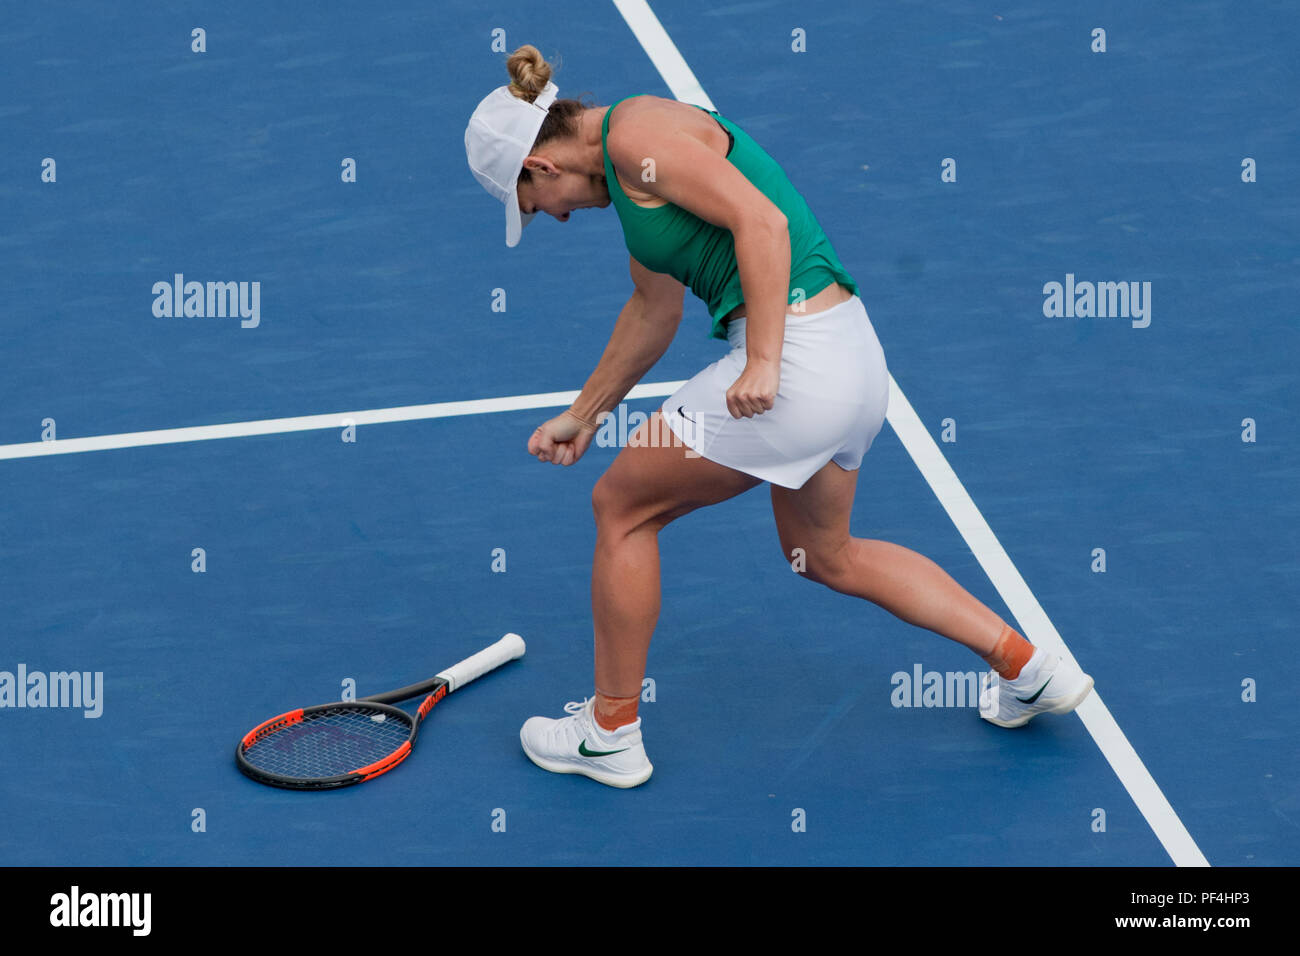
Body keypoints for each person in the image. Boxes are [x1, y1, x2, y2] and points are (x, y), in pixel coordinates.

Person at [464, 46, 1093, 788]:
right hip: (852, 361)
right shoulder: (634, 175)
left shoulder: (637, 136)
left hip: (796, 362)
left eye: (537, 206)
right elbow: (653, 308)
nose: (556, 218)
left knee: (622, 509)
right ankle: (1029, 670)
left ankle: (609, 731)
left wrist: (763, 358)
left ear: (539, 167)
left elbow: (760, 222)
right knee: (826, 555)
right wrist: (586, 413)